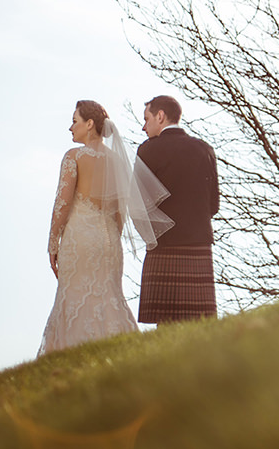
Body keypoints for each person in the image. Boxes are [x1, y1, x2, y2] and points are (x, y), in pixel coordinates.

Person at [40, 100, 174, 355]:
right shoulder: (117, 162)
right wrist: (113, 237)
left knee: (76, 296)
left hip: (80, 239)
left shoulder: (73, 157)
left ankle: (72, 355)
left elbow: (62, 204)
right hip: (110, 241)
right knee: (109, 297)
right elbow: (119, 212)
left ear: (89, 124)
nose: (70, 128)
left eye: (74, 121)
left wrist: (53, 244)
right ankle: (123, 353)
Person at [136, 95, 220, 324]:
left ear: (160, 116)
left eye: (146, 119)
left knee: (166, 323)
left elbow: (138, 204)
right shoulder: (205, 149)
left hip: (163, 243)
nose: (144, 127)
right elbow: (214, 205)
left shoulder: (147, 151)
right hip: (198, 241)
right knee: (199, 323)